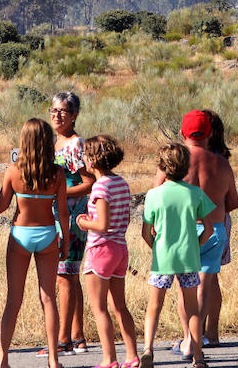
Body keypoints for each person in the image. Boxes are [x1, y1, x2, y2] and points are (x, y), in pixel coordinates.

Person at [160, 110, 238, 360]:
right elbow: (233, 203)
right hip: (214, 230)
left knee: (186, 288)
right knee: (204, 286)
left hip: (182, 230)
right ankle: (200, 340)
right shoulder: (221, 163)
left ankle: (187, 339)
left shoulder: (174, 161)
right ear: (210, 133)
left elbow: (156, 196)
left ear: (183, 132)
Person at [0, 119, 70, 368]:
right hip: (47, 233)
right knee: (48, 298)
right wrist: (66, 241)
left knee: (13, 299)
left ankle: (3, 359)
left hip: (21, 234)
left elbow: (0, 207)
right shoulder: (57, 172)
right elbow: (62, 212)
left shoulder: (13, 171)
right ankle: (53, 358)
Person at [141, 143, 215, 368]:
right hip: (188, 258)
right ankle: (198, 356)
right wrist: (195, 244)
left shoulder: (154, 195)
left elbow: (146, 232)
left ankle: (147, 349)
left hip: (163, 257)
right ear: (186, 167)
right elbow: (209, 229)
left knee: (154, 305)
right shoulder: (195, 193)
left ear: (162, 166)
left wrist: (155, 247)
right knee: (192, 307)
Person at [75, 136, 139, 368]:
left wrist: (84, 222)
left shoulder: (100, 187)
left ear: (93, 159)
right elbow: (125, 217)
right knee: (119, 306)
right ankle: (132, 356)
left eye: (85, 155)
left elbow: (101, 224)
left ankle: (109, 359)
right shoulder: (121, 183)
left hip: (101, 248)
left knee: (99, 307)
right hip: (120, 248)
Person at [50, 91, 95, 356]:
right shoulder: (54, 144)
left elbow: (88, 182)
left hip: (72, 217)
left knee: (64, 275)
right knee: (70, 276)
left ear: (74, 115)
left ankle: (63, 339)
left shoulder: (75, 144)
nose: (56, 115)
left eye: (63, 111)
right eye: (53, 110)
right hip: (55, 216)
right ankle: (78, 337)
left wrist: (61, 194)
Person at [201, 110, 233, 347]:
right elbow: (233, 201)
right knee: (211, 278)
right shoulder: (221, 159)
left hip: (208, 222)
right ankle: (210, 332)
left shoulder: (203, 158)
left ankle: (202, 332)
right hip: (221, 219)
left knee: (203, 280)